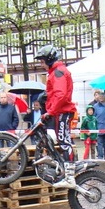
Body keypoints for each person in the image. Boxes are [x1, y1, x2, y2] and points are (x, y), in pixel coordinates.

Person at [34, 44, 77, 187]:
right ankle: (63, 168)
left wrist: (50, 112)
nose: (41, 64)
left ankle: (70, 176)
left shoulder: (58, 72)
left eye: (42, 61)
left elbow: (60, 95)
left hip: (63, 112)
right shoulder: (55, 72)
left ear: (49, 59)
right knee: (58, 139)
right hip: (59, 111)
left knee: (65, 142)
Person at [92, 91, 105, 160]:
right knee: (99, 143)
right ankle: (100, 156)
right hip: (99, 127)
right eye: (100, 96)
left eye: (102, 96)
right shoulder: (95, 106)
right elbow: (93, 118)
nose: (101, 98)